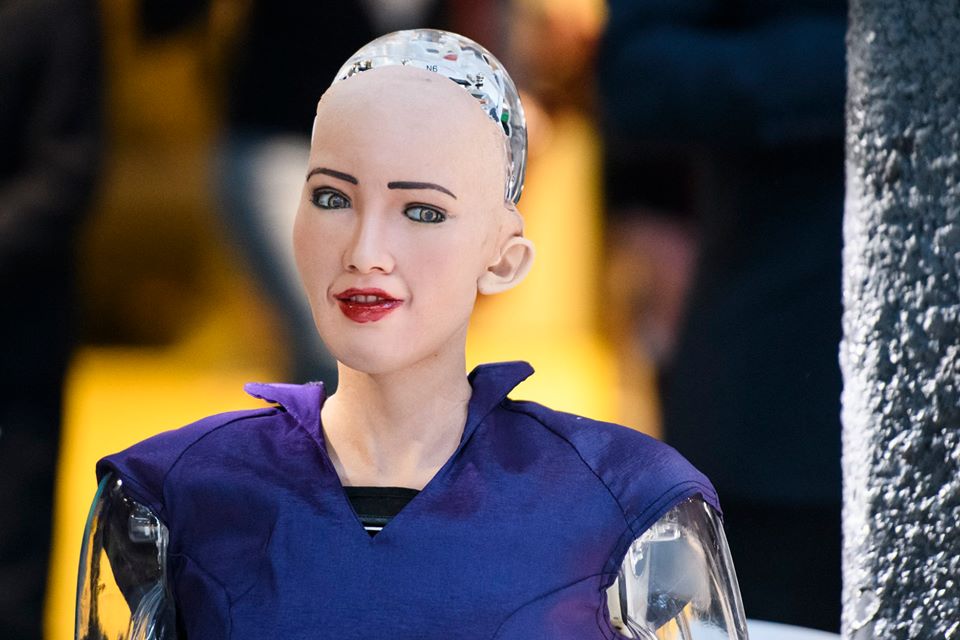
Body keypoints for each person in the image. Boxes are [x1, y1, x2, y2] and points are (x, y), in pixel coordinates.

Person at [76, 30, 747, 639]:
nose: (365, 251)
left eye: (422, 211)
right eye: (332, 198)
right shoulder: (171, 496)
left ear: (504, 257)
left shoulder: (630, 503)